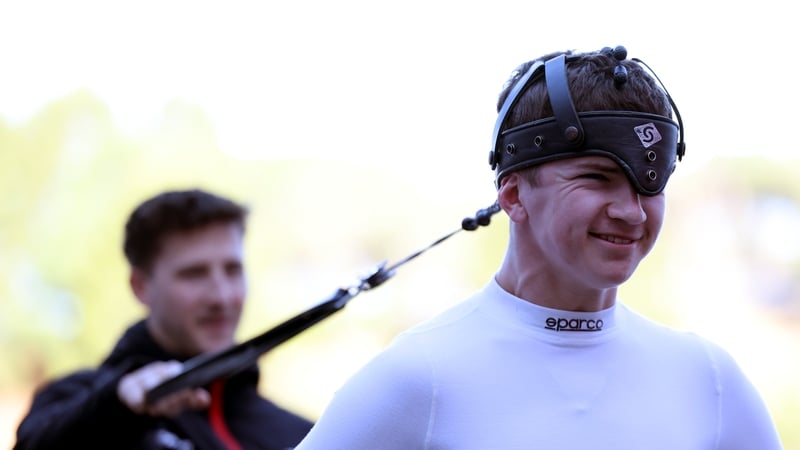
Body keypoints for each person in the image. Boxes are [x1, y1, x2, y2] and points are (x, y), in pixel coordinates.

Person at [294, 46, 785, 449]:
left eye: (652, 184)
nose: (632, 212)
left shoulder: (708, 380)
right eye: (597, 177)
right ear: (512, 196)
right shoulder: (419, 376)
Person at [15, 189, 313, 450]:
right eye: (194, 274)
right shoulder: (80, 405)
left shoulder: (301, 433)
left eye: (233, 271)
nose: (221, 297)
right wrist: (117, 407)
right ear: (141, 286)